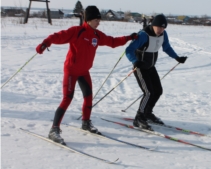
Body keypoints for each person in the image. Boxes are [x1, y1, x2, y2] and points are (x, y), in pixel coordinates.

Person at [35, 6, 137, 144]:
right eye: (96, 20)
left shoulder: (97, 35)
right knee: (67, 99)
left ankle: (86, 123)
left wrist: (129, 37)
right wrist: (45, 43)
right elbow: (58, 36)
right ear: (88, 20)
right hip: (71, 71)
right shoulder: (77, 31)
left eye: (99, 20)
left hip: (84, 72)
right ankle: (54, 129)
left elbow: (112, 42)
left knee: (88, 97)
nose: (98, 22)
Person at [125, 14, 187, 130]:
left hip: (151, 67)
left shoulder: (163, 34)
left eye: (163, 28)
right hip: (140, 67)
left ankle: (147, 113)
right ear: (153, 25)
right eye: (159, 27)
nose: (161, 30)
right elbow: (129, 50)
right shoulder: (144, 35)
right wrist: (135, 61)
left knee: (158, 91)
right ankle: (139, 117)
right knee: (148, 93)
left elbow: (167, 47)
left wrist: (177, 58)